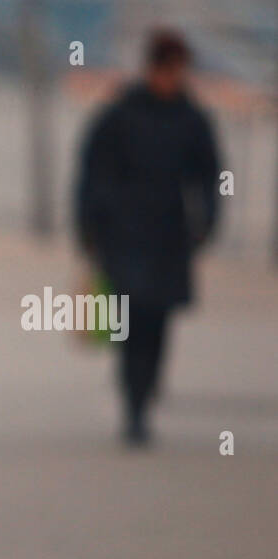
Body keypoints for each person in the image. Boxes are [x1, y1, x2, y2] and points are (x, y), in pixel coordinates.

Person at [75, 28, 222, 447]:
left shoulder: (192, 120)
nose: (174, 79)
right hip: (121, 233)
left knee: (157, 322)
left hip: (169, 234)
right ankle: (134, 404)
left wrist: (208, 221)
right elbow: (91, 173)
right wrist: (87, 226)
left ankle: (146, 388)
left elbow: (210, 176)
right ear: (155, 68)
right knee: (128, 320)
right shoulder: (119, 114)